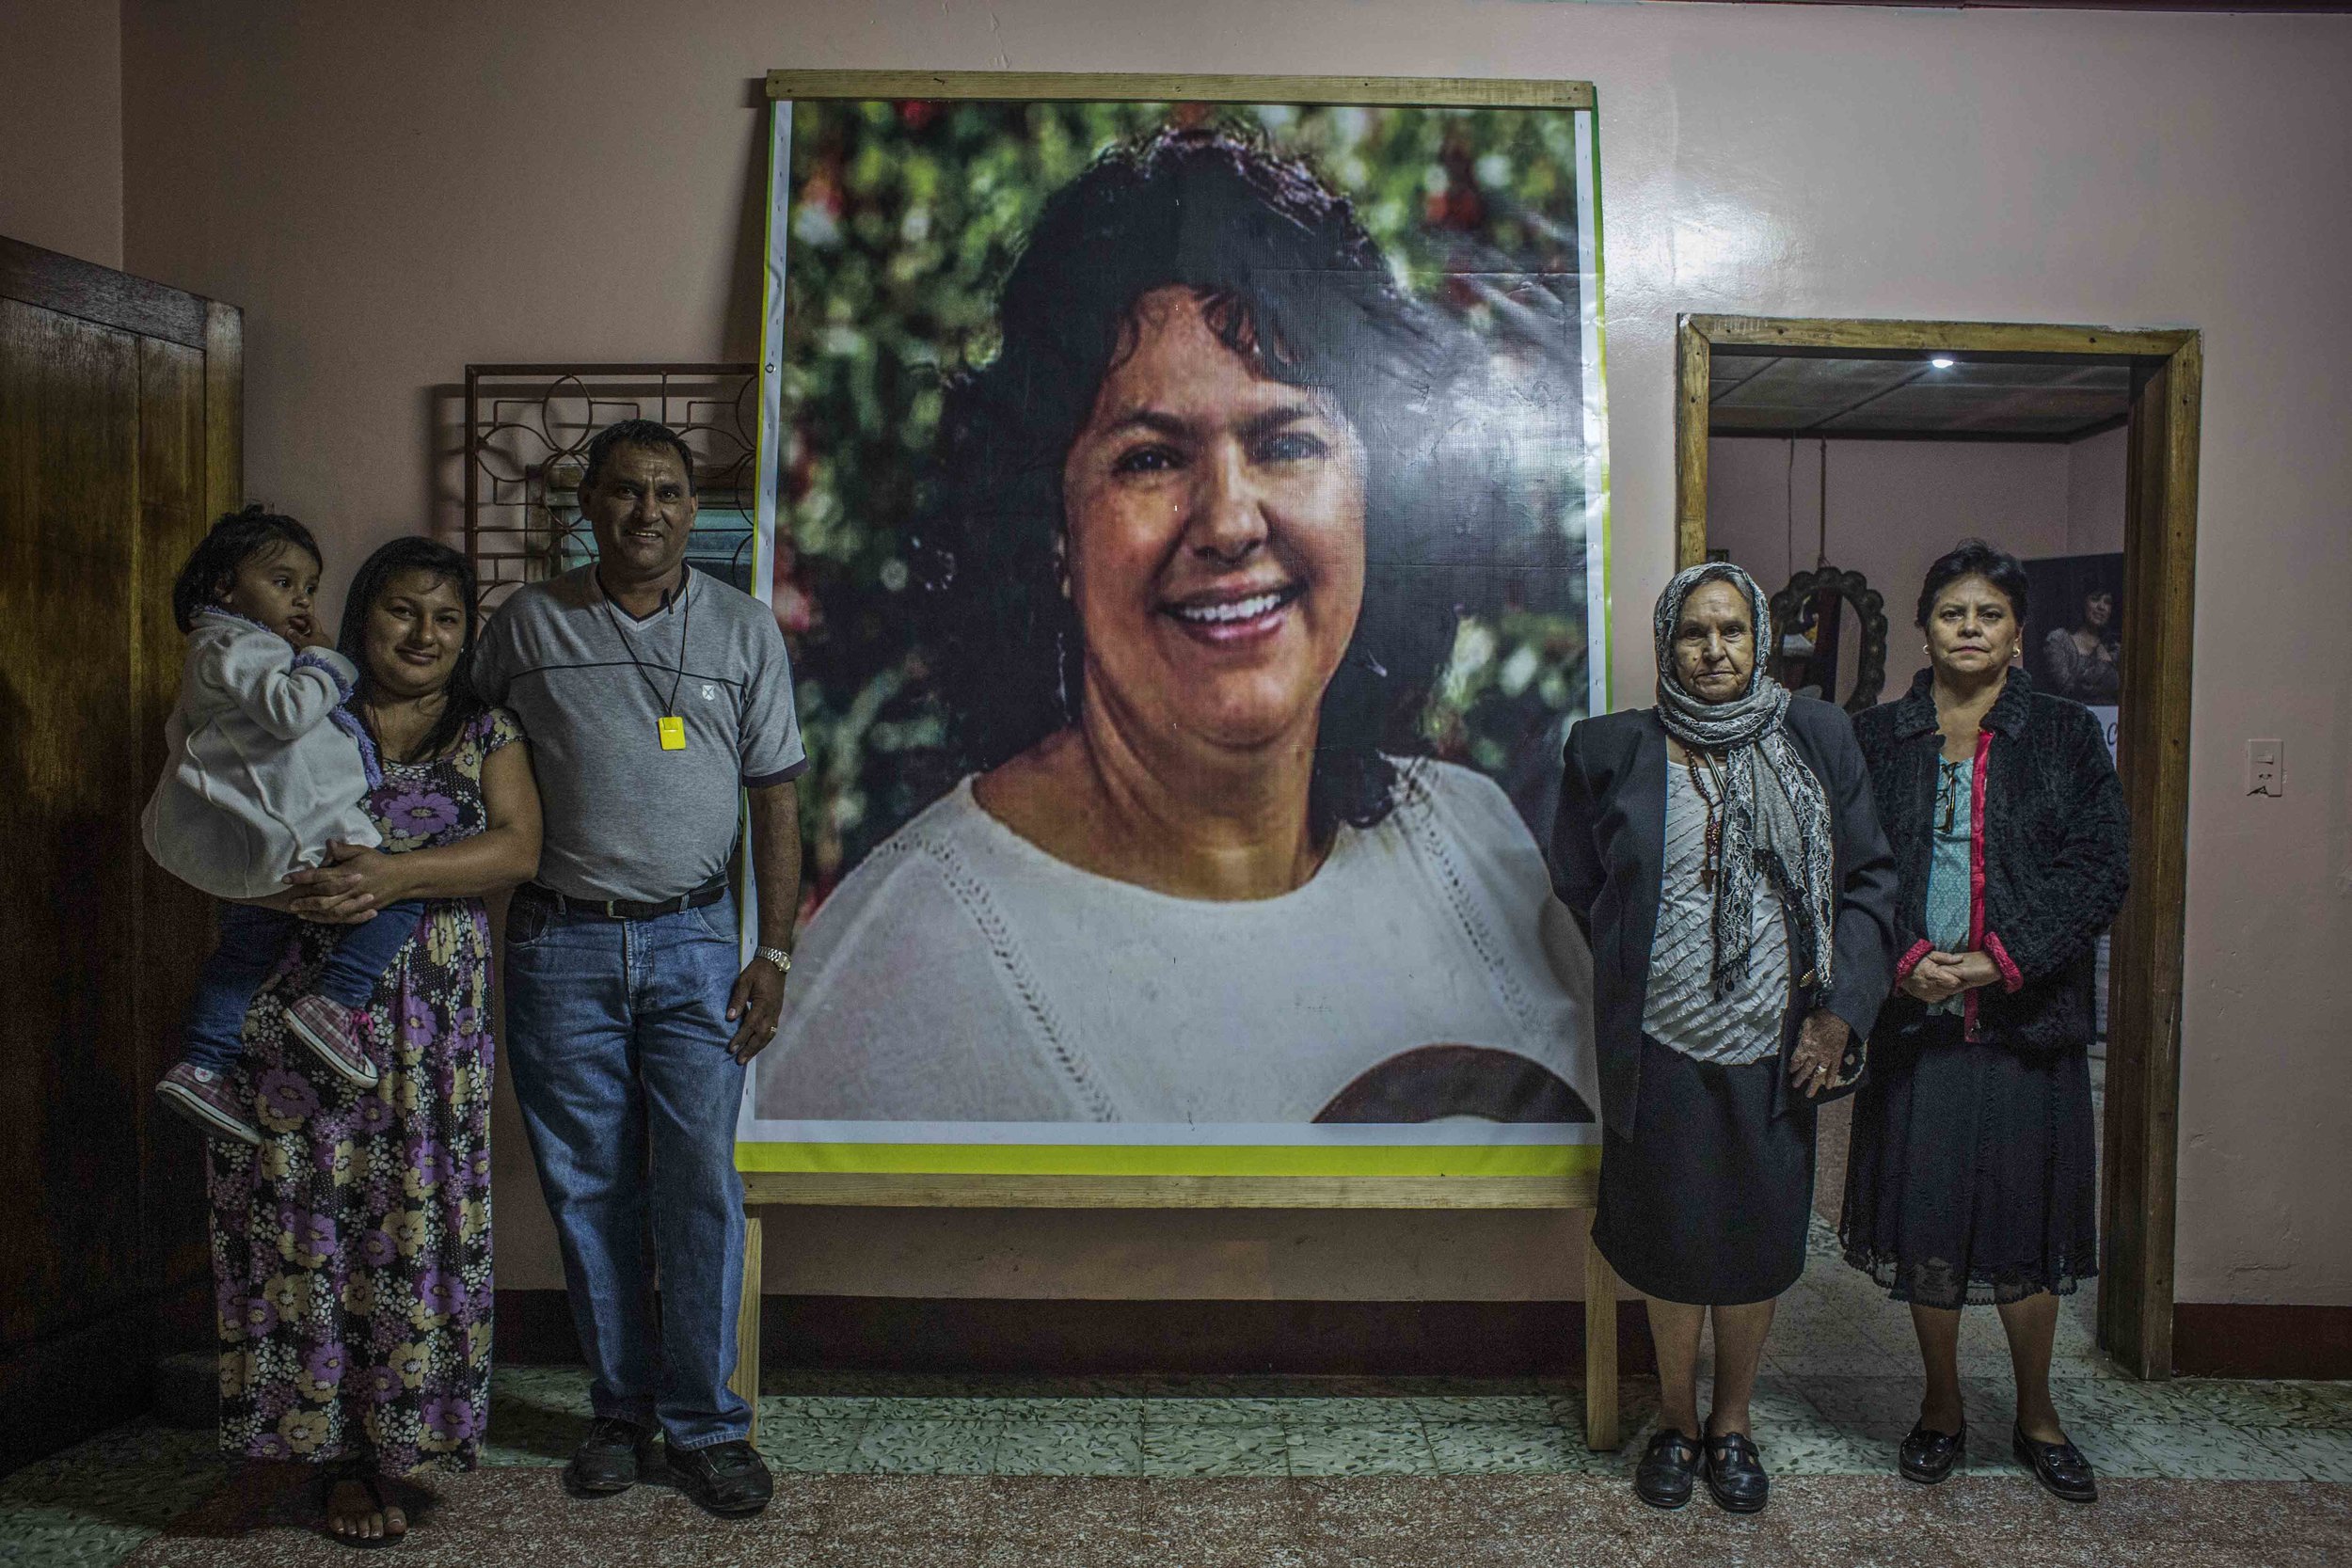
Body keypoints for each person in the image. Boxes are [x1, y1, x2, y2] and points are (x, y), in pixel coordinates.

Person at [756, 125, 1597, 1130]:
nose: (1230, 520)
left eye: (1286, 441)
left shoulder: (1472, 841)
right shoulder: (903, 974)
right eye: (1150, 459)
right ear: (1051, 529)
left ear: (1377, 493)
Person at [472, 419, 806, 1517]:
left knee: (698, 1182)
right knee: (588, 1187)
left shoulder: (744, 630)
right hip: (559, 940)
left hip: (698, 941)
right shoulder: (524, 627)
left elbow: (776, 800)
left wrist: (774, 946)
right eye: (624, 492)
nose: (646, 511)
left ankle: (708, 1425)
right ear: (588, 504)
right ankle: (618, 1409)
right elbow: (459, 750)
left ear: (690, 507)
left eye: (666, 492)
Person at [205, 537, 539, 1547]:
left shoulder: (487, 728)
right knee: (304, 1209)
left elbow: (517, 847)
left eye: (445, 616)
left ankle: (400, 1441)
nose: (424, 633)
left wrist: (392, 876)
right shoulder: (303, 711)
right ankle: (324, 1449)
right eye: (401, 610)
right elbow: (223, 821)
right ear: (362, 616)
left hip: (430, 1025)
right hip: (293, 1001)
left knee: (411, 1213)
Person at [1551, 562, 1898, 1514]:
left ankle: (1733, 1422)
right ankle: (1675, 1418)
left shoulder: (1818, 735)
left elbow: (1868, 881)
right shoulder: (1609, 749)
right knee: (1667, 1238)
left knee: (1751, 1237)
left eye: (1731, 632)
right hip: (1658, 1040)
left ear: (1758, 640)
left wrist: (1838, 1012)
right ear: (1667, 645)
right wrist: (1649, 961)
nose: (1714, 652)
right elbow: (1581, 881)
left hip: (1776, 1041)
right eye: (1693, 634)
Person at [1841, 540, 2129, 1503]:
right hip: (1916, 1024)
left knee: (2026, 1231)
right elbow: (1843, 869)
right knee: (1927, 1229)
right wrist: (1908, 960)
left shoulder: (2063, 734)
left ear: (2015, 634)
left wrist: (1997, 959)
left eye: (1989, 613)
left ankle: (2038, 1412)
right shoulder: (1875, 736)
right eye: (1951, 611)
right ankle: (1939, 1407)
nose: (1968, 627)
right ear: (1923, 625)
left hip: (2025, 1021)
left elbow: (2097, 866)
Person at [143, 506, 429, 1143]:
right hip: (293, 830)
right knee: (403, 895)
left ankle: (204, 1061)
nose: (299, 599)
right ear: (224, 587)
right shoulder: (237, 644)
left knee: (245, 950)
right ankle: (334, 1002)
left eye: (308, 587)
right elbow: (288, 711)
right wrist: (323, 659)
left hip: (263, 834)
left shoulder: (229, 648)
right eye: (282, 582)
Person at [2039, 584, 2121, 703]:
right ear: (2083, 603)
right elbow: (2065, 690)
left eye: (2107, 602)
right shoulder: (2059, 640)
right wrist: (2102, 664)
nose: (2101, 607)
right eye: (2095, 599)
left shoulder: (2115, 648)